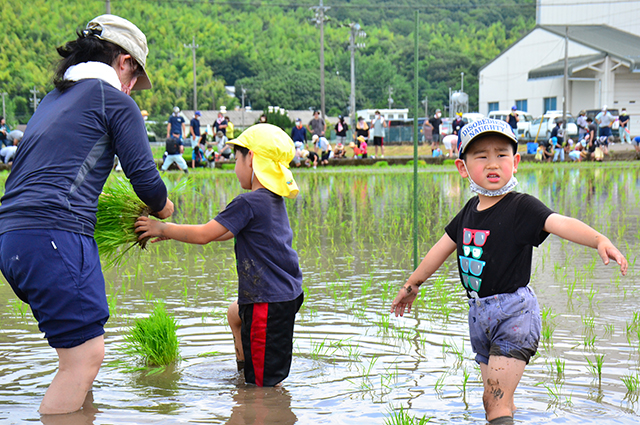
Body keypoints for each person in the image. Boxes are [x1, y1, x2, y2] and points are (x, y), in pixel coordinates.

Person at [390, 118, 627, 424]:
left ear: (515, 162)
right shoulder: (467, 212)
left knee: (494, 400)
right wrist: (412, 285)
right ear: (463, 168)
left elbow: (559, 222)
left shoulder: (521, 207)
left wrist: (598, 239)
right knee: (499, 400)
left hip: (513, 315)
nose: (493, 163)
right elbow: (439, 250)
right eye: (481, 156)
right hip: (480, 315)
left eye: (501, 155)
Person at [0, 14, 174, 415]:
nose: (133, 89)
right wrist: (163, 208)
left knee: (76, 353)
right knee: (87, 357)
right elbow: (145, 179)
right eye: (135, 78)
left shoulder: (53, 99)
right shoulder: (114, 100)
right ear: (124, 61)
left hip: (12, 239)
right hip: (54, 235)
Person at [135, 123, 303, 387]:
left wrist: (162, 226)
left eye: (237, 159)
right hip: (285, 294)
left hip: (268, 303)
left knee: (264, 387)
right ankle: (244, 368)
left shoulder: (249, 202)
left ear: (252, 160)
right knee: (234, 313)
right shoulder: (271, 200)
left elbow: (204, 234)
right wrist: (173, 233)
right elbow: (222, 232)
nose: (235, 166)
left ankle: (258, 398)